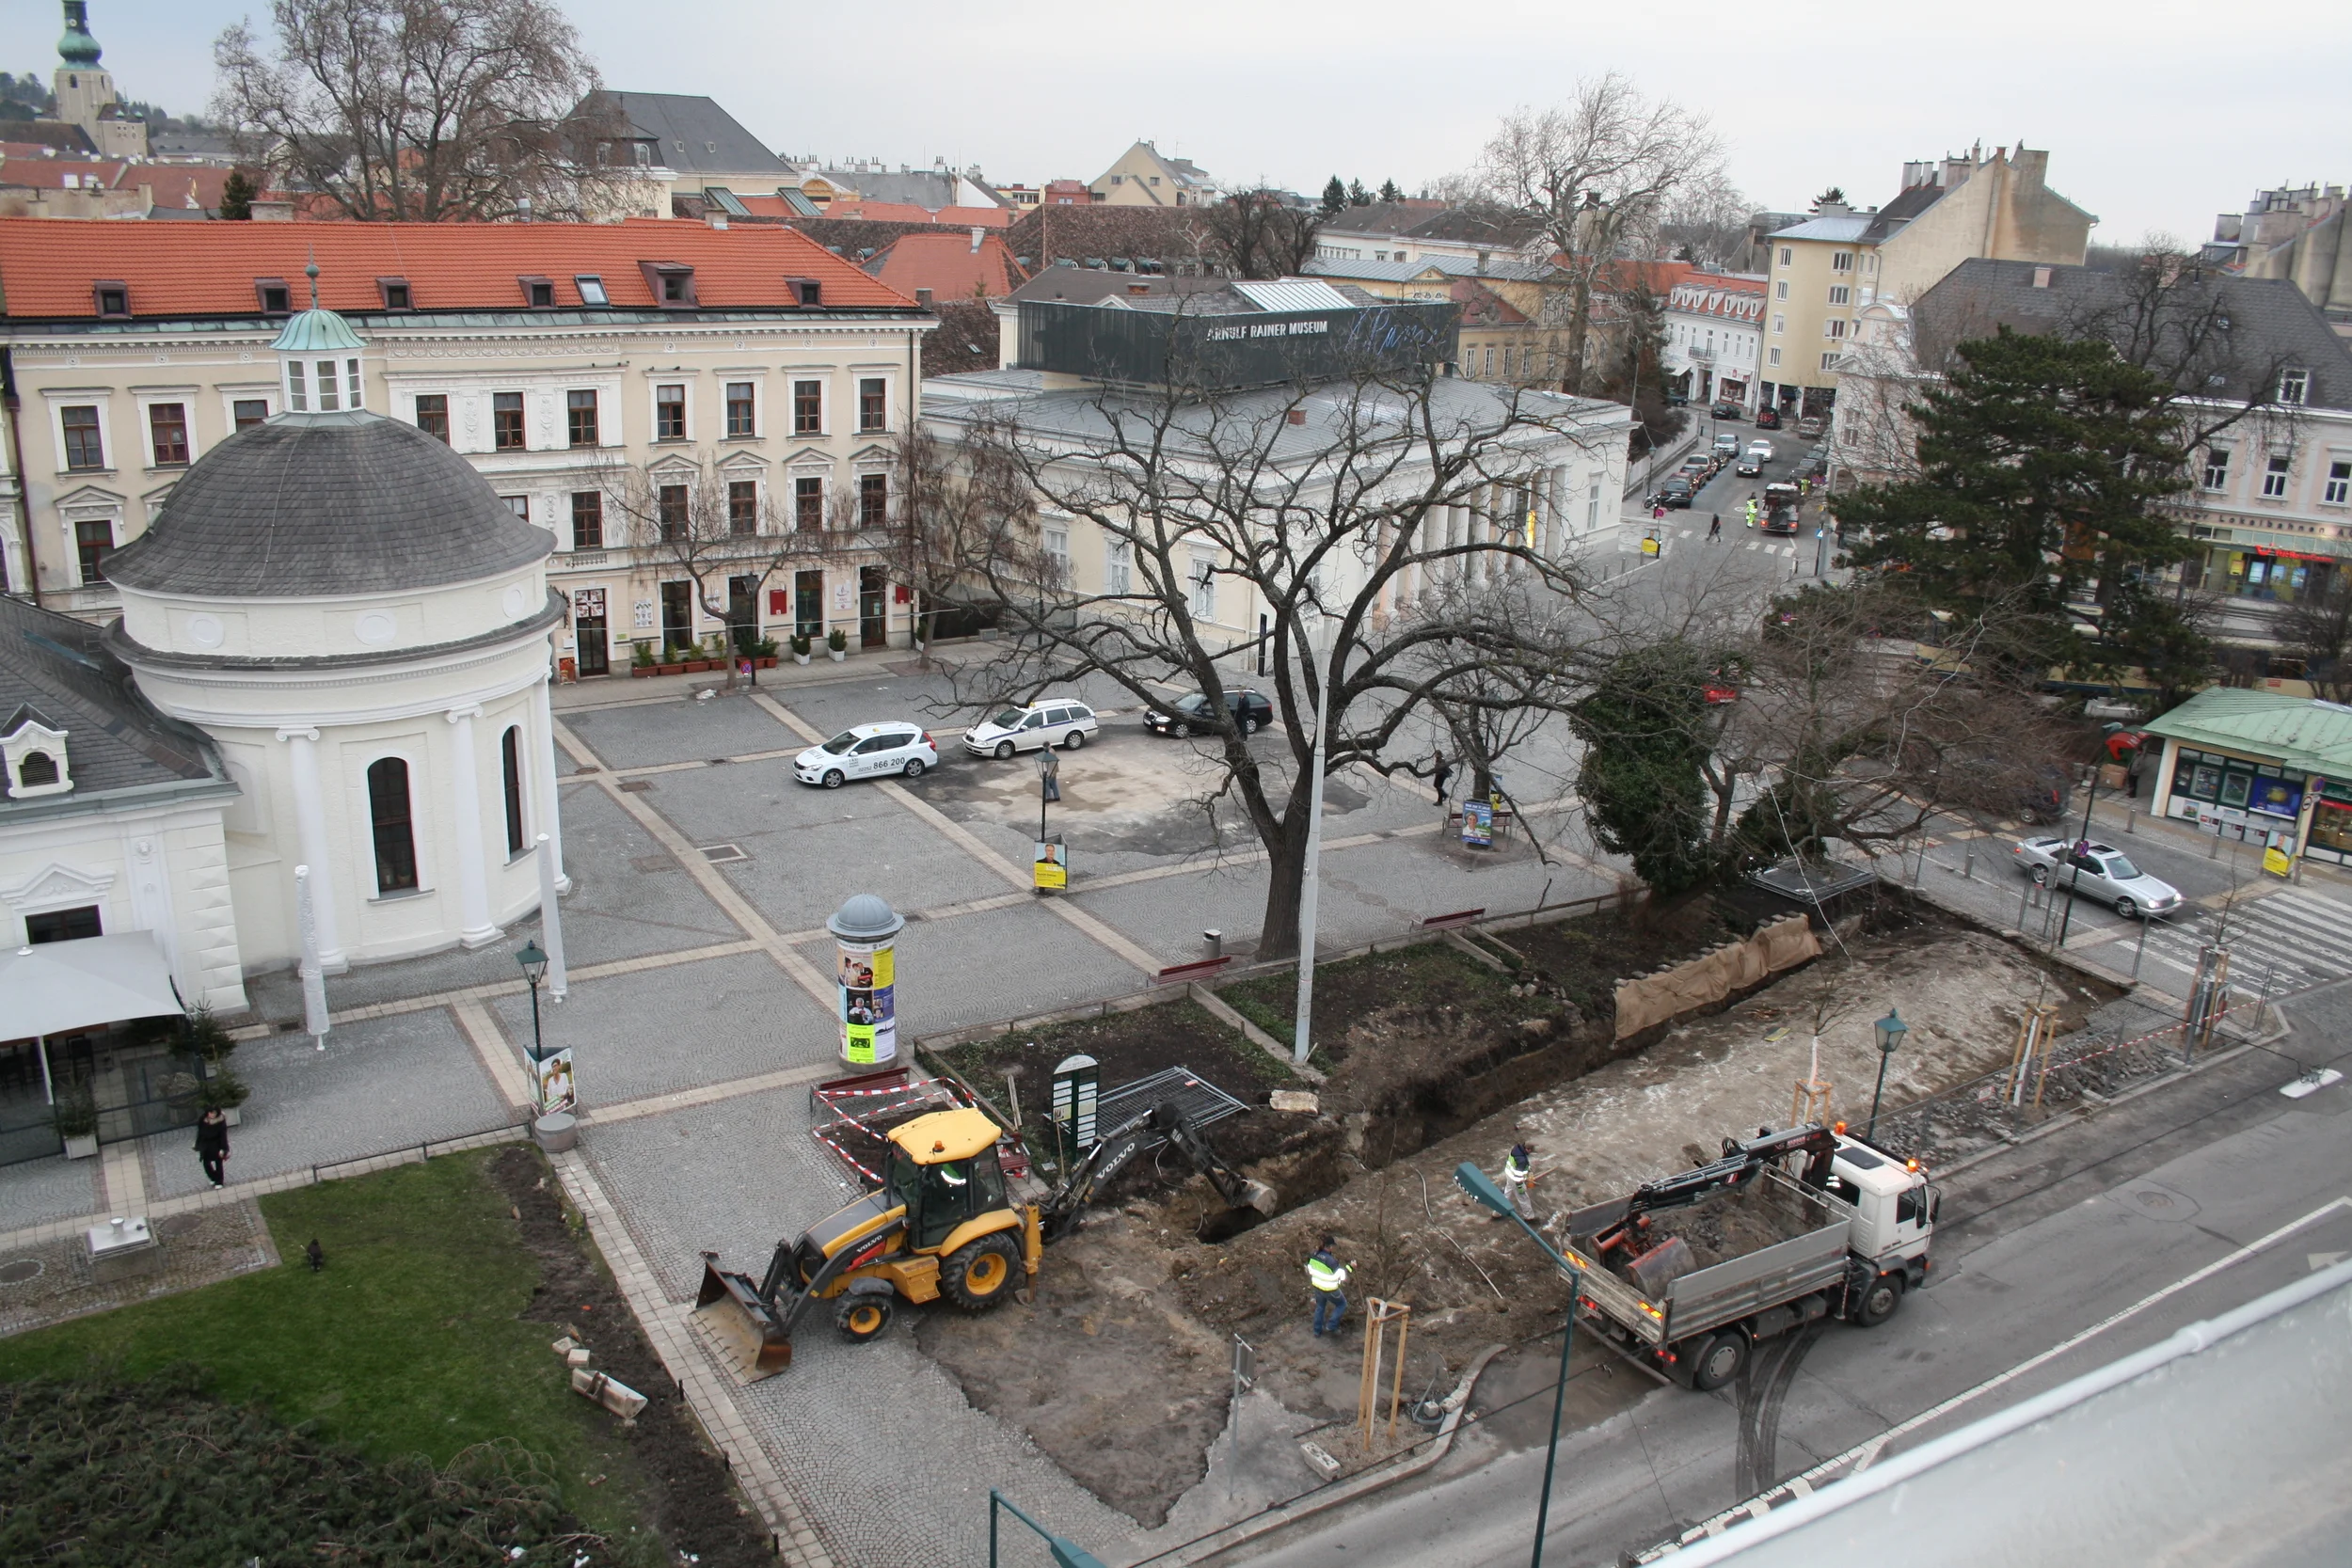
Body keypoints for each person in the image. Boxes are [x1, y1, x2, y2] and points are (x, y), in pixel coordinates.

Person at [1306, 1235, 1351, 1337]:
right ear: (1330, 1246)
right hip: (1330, 1289)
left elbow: (1308, 1268)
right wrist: (1350, 1267)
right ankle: (1331, 1326)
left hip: (1317, 1286)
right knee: (1342, 1304)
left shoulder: (1313, 1255)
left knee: (1320, 1307)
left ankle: (1317, 1331)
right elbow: (1342, 1276)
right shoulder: (1331, 1261)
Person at [194, 1106, 230, 1189]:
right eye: (211, 1113)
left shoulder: (220, 1121)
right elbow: (200, 1133)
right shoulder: (203, 1120)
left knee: (218, 1163)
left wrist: (224, 1149)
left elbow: (223, 1136)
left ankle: (219, 1181)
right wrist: (197, 1144)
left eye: (214, 1113)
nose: (212, 1115)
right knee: (206, 1163)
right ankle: (213, 1177)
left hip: (216, 1144)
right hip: (206, 1144)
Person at [1499, 1143, 1534, 1220]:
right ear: (1527, 1149)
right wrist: (1520, 1186)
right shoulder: (1522, 1160)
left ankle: (1498, 1211)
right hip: (1515, 1180)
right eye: (1530, 1151)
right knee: (1523, 1198)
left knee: (1507, 1192)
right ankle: (1529, 1217)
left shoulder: (1515, 1149)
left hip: (1509, 1174)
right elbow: (1518, 1176)